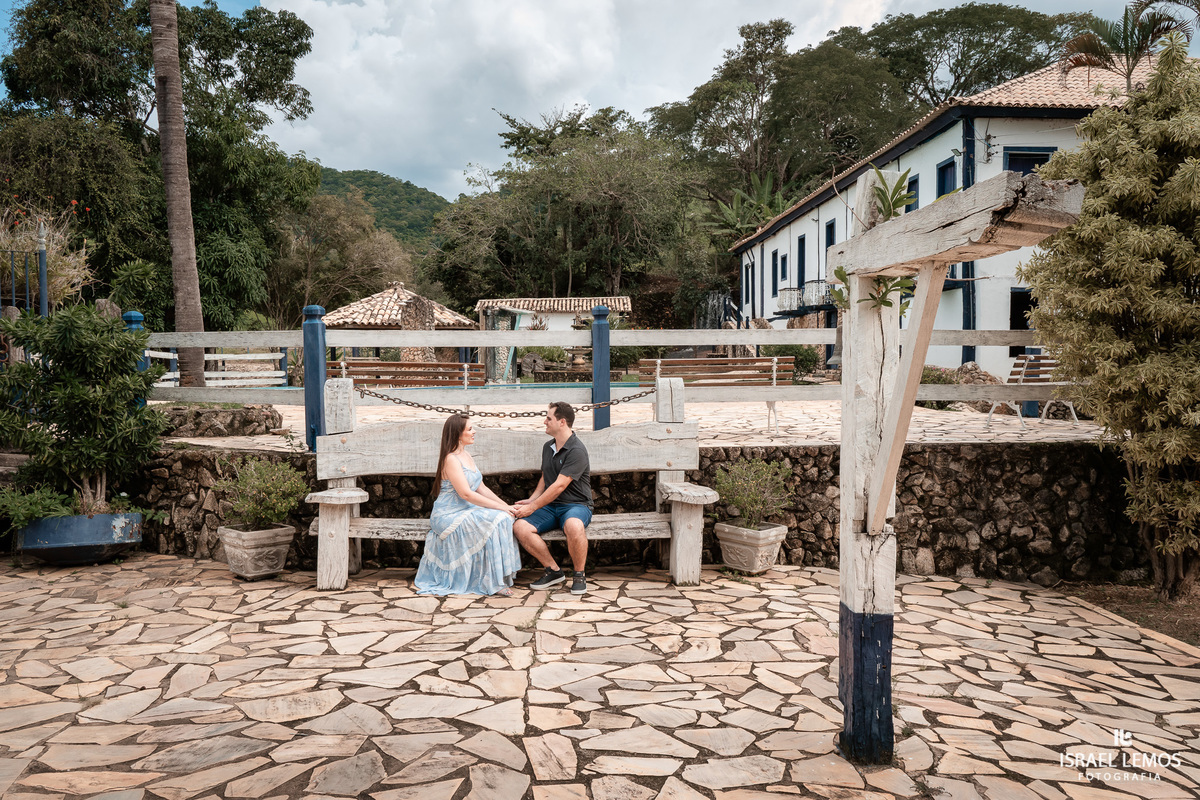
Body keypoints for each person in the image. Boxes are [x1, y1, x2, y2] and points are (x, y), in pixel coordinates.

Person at [414, 414, 522, 596]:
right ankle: (492, 582)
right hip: (449, 514)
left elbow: (481, 487)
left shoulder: (466, 455)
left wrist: (508, 507)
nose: (474, 432)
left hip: (466, 509)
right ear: (458, 434)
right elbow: (466, 493)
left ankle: (494, 578)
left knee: (504, 517)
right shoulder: (450, 459)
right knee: (497, 518)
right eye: (470, 429)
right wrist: (502, 509)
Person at [513, 401, 592, 595]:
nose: (544, 422)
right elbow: (546, 477)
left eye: (549, 418)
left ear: (562, 422)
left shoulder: (577, 450)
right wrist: (532, 500)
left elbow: (559, 486)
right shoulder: (548, 446)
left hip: (576, 505)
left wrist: (532, 508)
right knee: (520, 527)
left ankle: (579, 575)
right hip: (551, 506)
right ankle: (554, 571)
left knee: (574, 525)